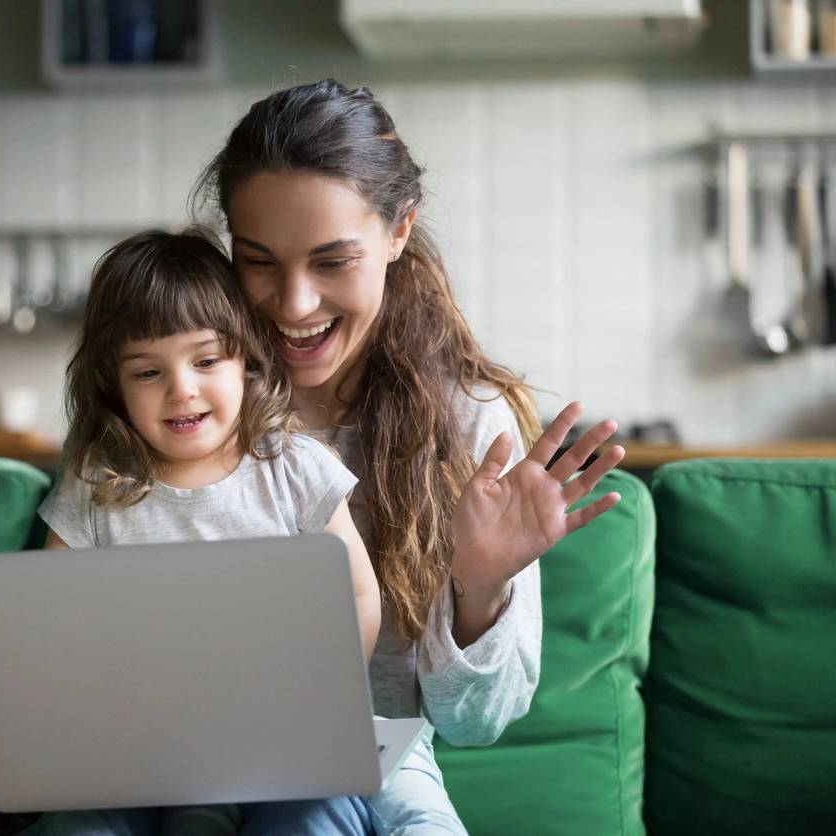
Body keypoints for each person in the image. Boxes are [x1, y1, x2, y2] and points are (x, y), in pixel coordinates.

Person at [182, 77, 627, 835]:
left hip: (366, 780)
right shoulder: (188, 411)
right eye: (259, 261)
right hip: (192, 770)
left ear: (398, 231)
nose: (293, 305)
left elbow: (474, 725)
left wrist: (479, 587)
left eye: (332, 262)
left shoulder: (467, 425)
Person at [0, 228, 384, 836]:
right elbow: (48, 629)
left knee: (314, 820)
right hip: (131, 754)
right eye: (147, 372)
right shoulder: (97, 484)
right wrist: (25, 736)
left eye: (206, 359)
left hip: (275, 750)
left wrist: (324, 699)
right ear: (113, 385)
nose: (182, 389)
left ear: (245, 357)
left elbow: (355, 593)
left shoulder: (293, 467)